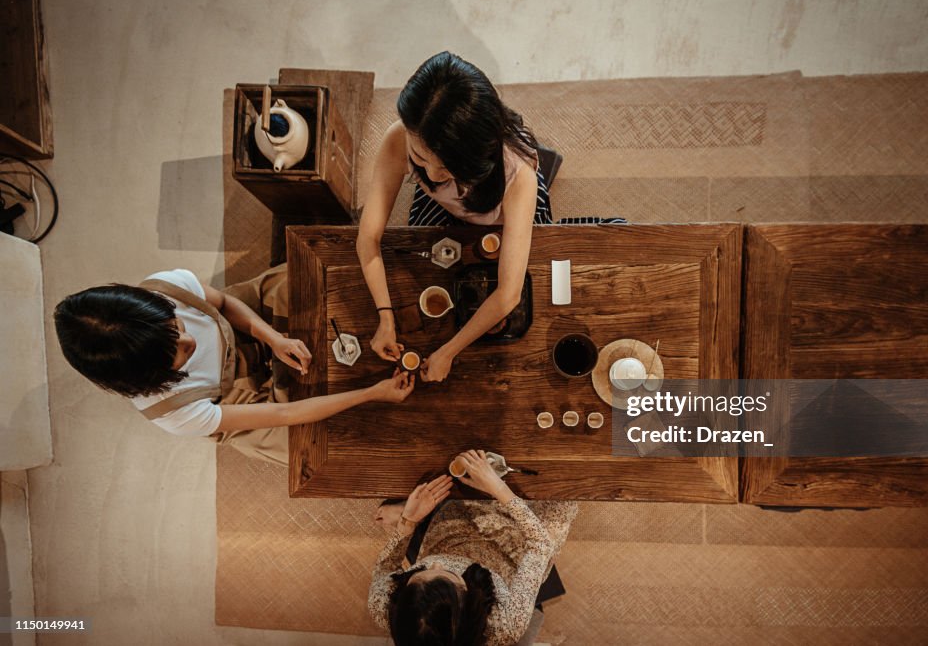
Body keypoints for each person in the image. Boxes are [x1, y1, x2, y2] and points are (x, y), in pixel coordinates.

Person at [53, 265, 414, 466]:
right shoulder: (173, 413)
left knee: (313, 278)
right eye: (176, 354)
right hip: (236, 397)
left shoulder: (166, 288)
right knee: (315, 446)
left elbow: (224, 303)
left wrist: (273, 338)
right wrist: (371, 393)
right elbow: (287, 415)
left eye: (176, 327)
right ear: (150, 377)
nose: (189, 341)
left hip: (243, 325)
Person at [356, 51, 546, 383]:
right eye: (419, 157)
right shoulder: (400, 137)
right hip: (450, 207)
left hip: (498, 210)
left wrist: (448, 350)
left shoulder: (518, 177)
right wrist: (385, 317)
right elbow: (368, 239)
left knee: (539, 268)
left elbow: (508, 294)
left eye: (446, 166)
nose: (431, 174)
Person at [368, 450, 577, 646]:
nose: (435, 562)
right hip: (513, 550)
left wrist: (409, 521)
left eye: (419, 571)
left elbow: (385, 568)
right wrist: (498, 489)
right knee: (566, 486)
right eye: (449, 573)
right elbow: (539, 544)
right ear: (468, 603)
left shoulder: (385, 608)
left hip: (449, 532)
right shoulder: (506, 624)